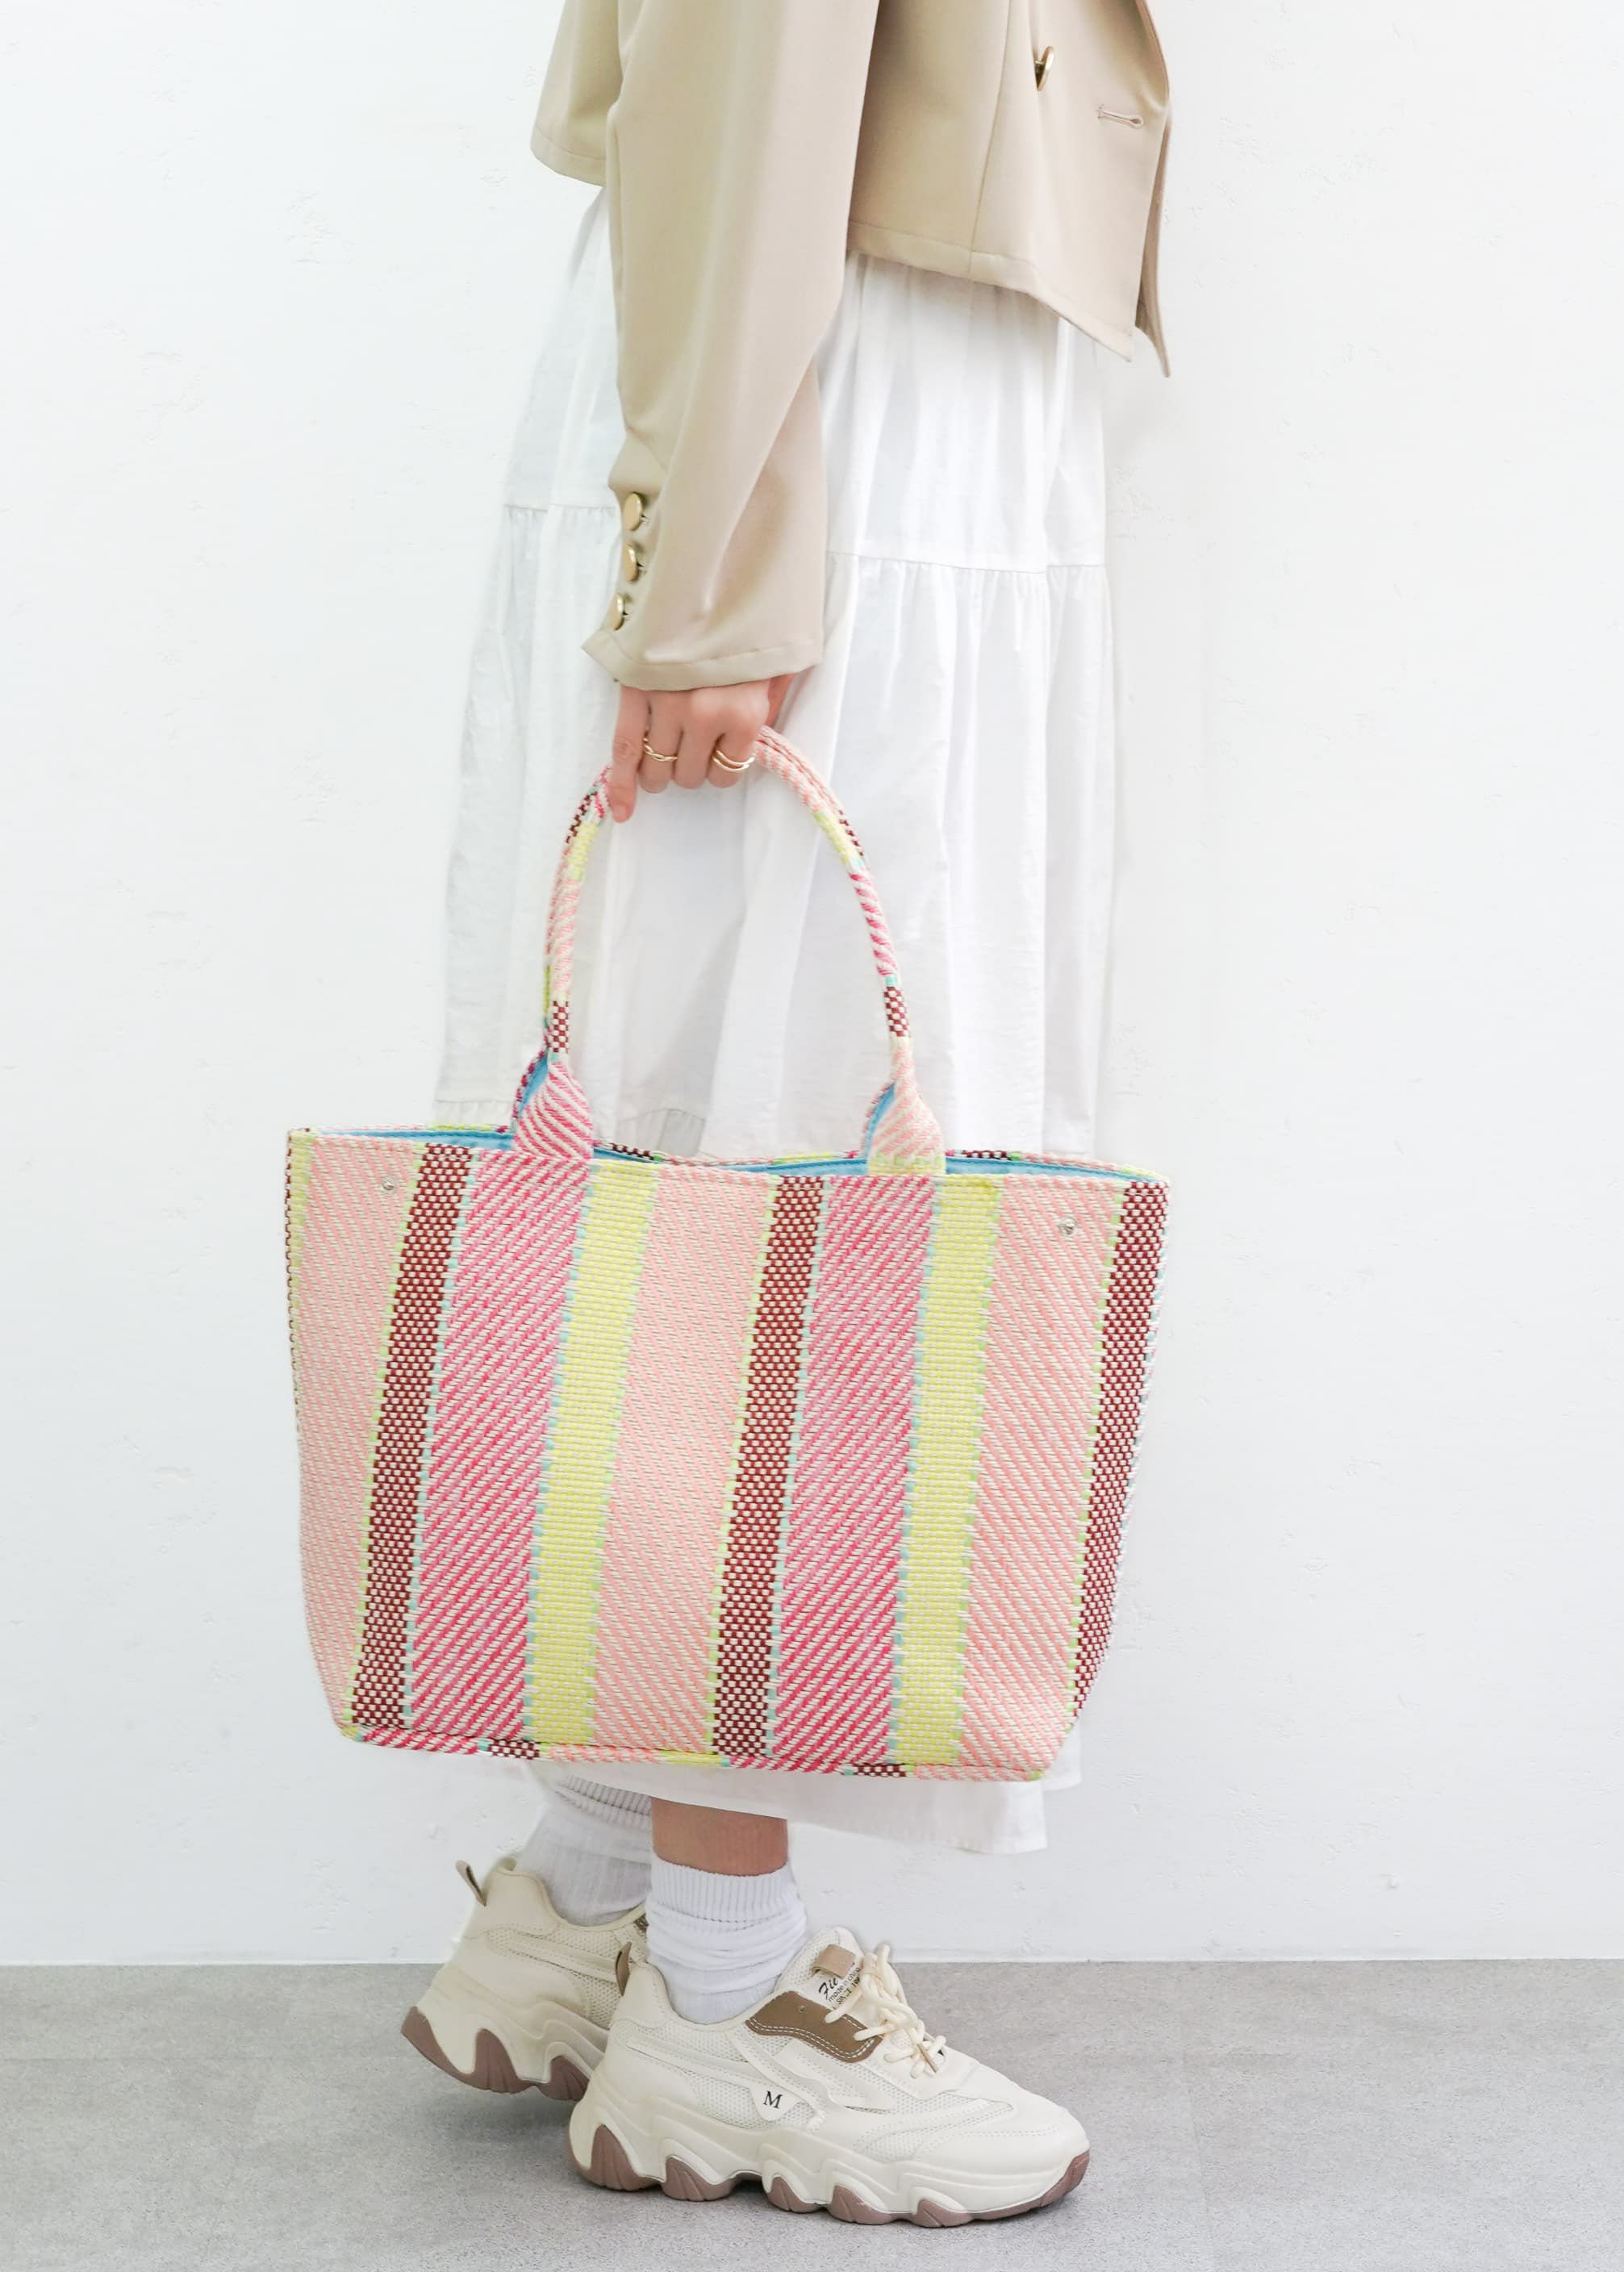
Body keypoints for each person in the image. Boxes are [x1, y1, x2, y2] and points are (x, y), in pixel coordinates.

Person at [405, 0, 1170, 2228]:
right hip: (833, 421)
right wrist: (719, 561)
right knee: (756, 1182)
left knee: (723, 1151)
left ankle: (591, 1886)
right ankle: (729, 1999)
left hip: (838, 391)